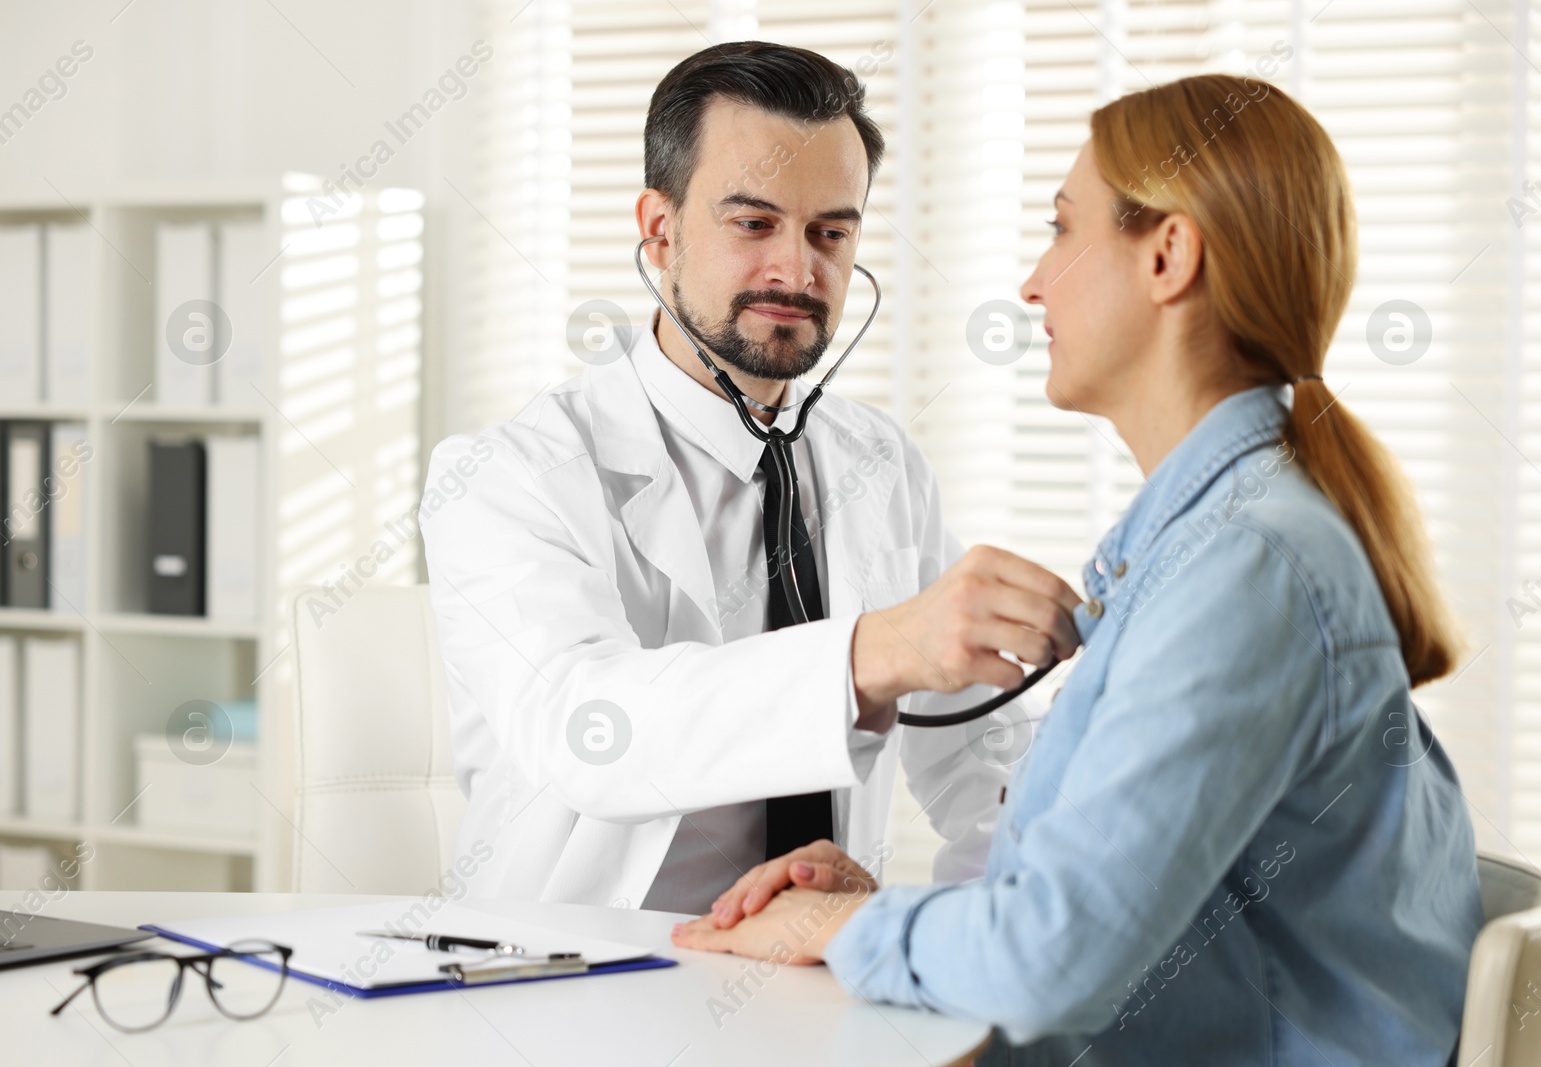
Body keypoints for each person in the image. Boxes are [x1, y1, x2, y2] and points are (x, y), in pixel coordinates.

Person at [672, 72, 1484, 1066]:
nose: (1032, 281)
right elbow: (1128, 911)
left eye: (1062, 230)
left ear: (1167, 255)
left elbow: (1057, 957)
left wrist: (840, 933)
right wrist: (890, 919)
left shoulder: (1244, 564)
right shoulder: (1220, 537)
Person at [418, 42, 1080, 915]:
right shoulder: (506, 474)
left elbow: (976, 755)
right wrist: (872, 653)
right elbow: (587, 727)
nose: (797, 272)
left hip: (805, 967)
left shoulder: (881, 463)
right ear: (660, 230)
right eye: (753, 223)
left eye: (830, 232)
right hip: (576, 984)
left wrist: (992, 906)